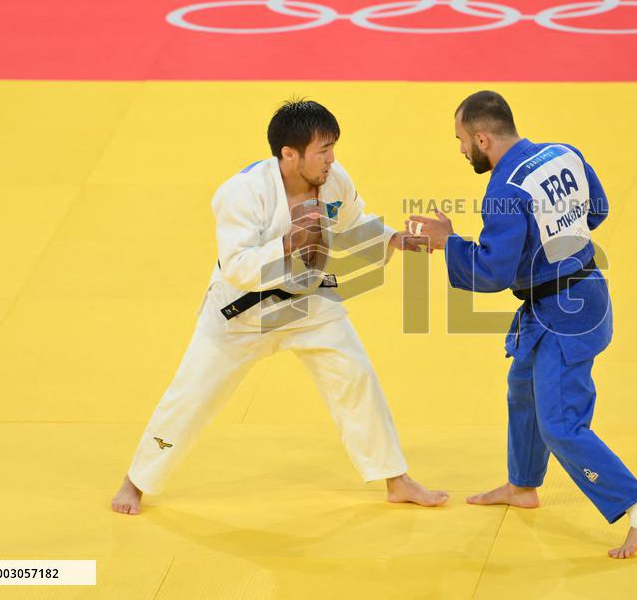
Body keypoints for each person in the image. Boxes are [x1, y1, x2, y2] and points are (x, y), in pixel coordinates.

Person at [111, 99, 448, 515]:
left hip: (308, 300)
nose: (331, 159)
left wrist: (398, 239)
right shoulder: (240, 193)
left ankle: (395, 479)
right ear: (289, 154)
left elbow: (354, 222)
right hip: (241, 312)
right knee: (191, 394)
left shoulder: (333, 179)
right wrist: (288, 242)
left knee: (356, 377)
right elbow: (237, 268)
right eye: (322, 150)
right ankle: (137, 481)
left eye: (332, 147)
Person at [408, 90, 637, 558]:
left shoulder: (505, 190)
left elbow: (492, 272)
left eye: (462, 141)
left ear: (483, 138)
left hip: (563, 313)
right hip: (579, 295)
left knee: (561, 425)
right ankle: (523, 485)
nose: (461, 150)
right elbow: (598, 211)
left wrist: (447, 242)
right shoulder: (563, 154)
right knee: (522, 387)